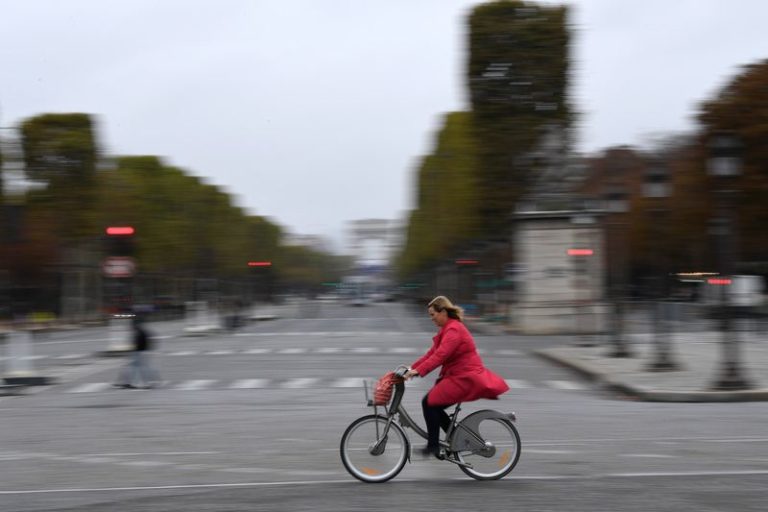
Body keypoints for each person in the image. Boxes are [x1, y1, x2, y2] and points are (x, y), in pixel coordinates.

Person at [404, 296, 509, 458]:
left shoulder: (454, 330)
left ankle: (434, 446)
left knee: (430, 402)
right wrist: (411, 368)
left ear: (443, 312)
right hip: (457, 376)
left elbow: (441, 355)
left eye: (433, 315)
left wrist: (418, 371)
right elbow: (431, 354)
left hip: (465, 378)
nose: (431, 319)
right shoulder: (447, 329)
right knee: (432, 405)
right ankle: (454, 439)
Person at [113, 313, 160, 389]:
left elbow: (137, 343)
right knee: (135, 367)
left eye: (131, 326)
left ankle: (147, 383)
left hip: (139, 352)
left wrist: (133, 350)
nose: (130, 327)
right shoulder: (141, 331)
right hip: (139, 352)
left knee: (140, 368)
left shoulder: (139, 332)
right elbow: (149, 341)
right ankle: (128, 382)